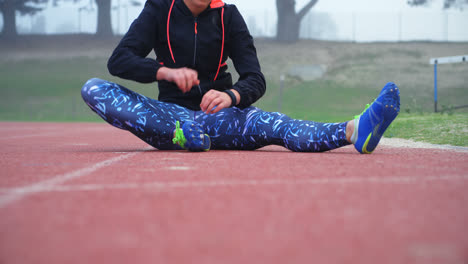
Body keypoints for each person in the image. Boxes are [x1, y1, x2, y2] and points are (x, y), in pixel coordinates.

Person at [81, 0, 400, 153]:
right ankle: (184, 135)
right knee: (94, 88)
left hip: (224, 119)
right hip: (170, 118)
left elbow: (255, 78)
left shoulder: (228, 16)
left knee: (277, 124)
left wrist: (230, 96)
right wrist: (165, 72)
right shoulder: (158, 10)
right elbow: (119, 61)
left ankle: (354, 130)